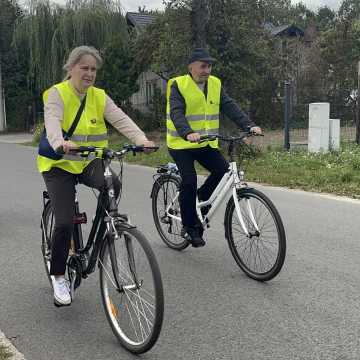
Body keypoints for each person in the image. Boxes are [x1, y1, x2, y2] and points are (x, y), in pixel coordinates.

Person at [37, 45, 155, 307]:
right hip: (59, 165)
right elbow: (52, 120)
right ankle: (58, 276)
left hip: (89, 161)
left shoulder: (99, 96)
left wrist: (141, 139)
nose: (90, 73)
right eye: (85, 68)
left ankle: (106, 230)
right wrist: (60, 142)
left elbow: (121, 119)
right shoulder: (57, 93)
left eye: (93, 69)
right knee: (65, 222)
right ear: (71, 68)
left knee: (113, 182)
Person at [166, 47, 262, 248]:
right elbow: (176, 112)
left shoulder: (215, 84)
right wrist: (187, 132)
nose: (207, 70)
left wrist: (248, 125)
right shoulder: (177, 85)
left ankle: (200, 198)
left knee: (223, 171)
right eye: (203, 66)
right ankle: (190, 227)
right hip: (181, 143)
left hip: (205, 142)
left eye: (209, 66)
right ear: (191, 67)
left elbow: (229, 106)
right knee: (189, 179)